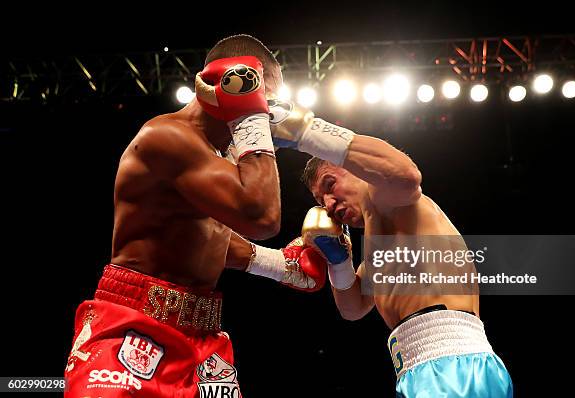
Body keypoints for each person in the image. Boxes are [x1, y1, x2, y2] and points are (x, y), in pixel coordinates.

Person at [64, 34, 327, 398]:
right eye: (266, 99)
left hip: (204, 341)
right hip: (133, 326)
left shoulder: (214, 159)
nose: (269, 113)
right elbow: (262, 216)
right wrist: (250, 120)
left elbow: (205, 234)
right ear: (235, 84)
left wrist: (281, 266)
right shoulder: (167, 137)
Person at [257, 98, 514, 397]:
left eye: (330, 186)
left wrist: (305, 131)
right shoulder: (383, 245)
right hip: (427, 369)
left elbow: (406, 175)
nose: (328, 205)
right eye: (319, 201)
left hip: (452, 368)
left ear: (354, 169)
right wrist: (339, 260)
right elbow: (352, 309)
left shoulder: (388, 198)